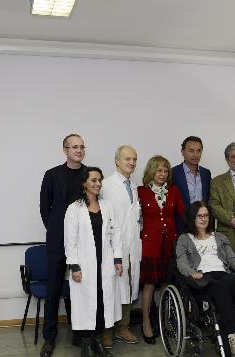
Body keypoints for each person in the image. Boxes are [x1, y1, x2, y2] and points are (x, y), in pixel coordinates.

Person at [176, 201, 235, 357]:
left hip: (222, 275)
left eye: (206, 215)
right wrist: (191, 273)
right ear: (192, 218)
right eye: (199, 216)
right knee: (224, 285)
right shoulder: (184, 239)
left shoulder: (219, 237)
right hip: (202, 279)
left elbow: (232, 259)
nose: (203, 219)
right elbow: (181, 263)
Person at [64, 167, 123, 357]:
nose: (98, 184)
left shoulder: (107, 206)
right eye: (93, 181)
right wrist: (74, 266)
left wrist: (118, 258)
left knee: (101, 303)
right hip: (84, 266)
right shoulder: (74, 209)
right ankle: (86, 346)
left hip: (104, 264)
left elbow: (116, 233)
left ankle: (97, 342)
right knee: (85, 306)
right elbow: (70, 241)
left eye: (100, 180)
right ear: (84, 184)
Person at [39, 134, 86, 357]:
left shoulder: (89, 175)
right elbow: (44, 209)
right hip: (57, 241)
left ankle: (79, 332)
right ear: (65, 150)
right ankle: (49, 338)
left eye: (81, 147)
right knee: (54, 289)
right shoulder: (52, 175)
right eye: (74, 147)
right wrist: (58, 230)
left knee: (79, 288)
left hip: (82, 242)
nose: (78, 150)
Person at [138, 155, 185, 344]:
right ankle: (146, 323)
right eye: (159, 170)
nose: (163, 174)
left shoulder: (173, 191)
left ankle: (165, 320)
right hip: (149, 246)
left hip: (169, 246)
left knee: (166, 284)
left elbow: (184, 214)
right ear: (151, 171)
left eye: (166, 171)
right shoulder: (141, 191)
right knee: (149, 285)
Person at [100, 145, 141, 347]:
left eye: (134, 159)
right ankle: (107, 330)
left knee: (129, 286)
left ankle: (123, 327)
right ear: (117, 161)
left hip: (132, 246)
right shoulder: (106, 185)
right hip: (113, 248)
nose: (132, 162)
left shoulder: (133, 185)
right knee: (113, 289)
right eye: (127, 159)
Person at [172, 136, 212, 233]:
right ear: (182, 151)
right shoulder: (173, 173)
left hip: (203, 226)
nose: (195, 155)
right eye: (191, 151)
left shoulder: (206, 173)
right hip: (181, 226)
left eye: (198, 151)